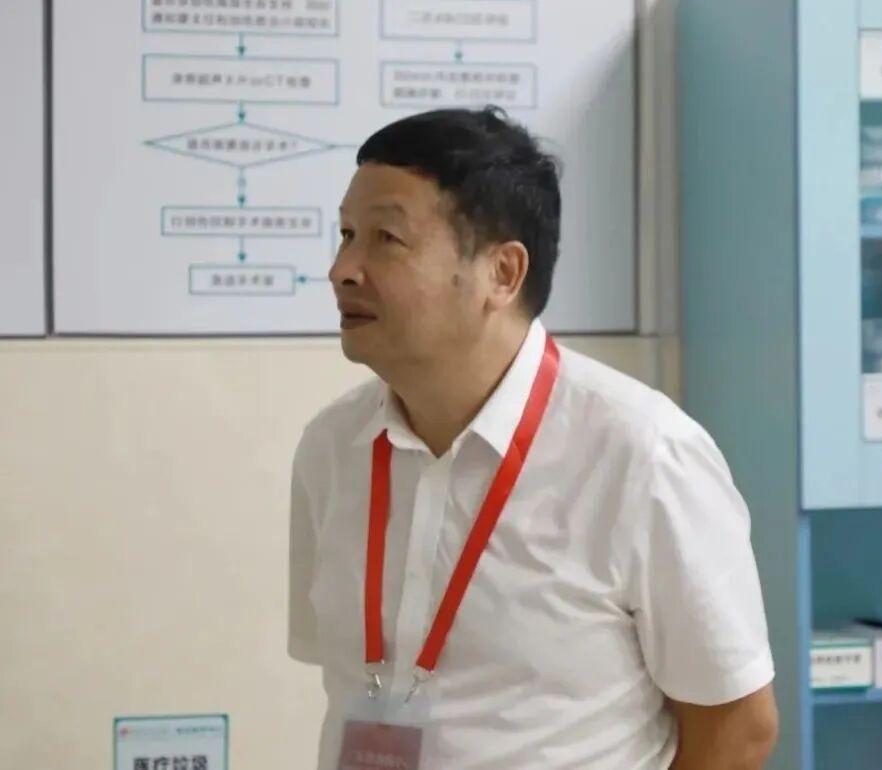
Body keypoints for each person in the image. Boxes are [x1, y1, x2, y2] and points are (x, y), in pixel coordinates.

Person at [289, 106, 778, 769]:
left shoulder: (644, 454)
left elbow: (739, 727)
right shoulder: (332, 447)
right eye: (346, 234)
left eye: (386, 239)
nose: (343, 269)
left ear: (502, 273)